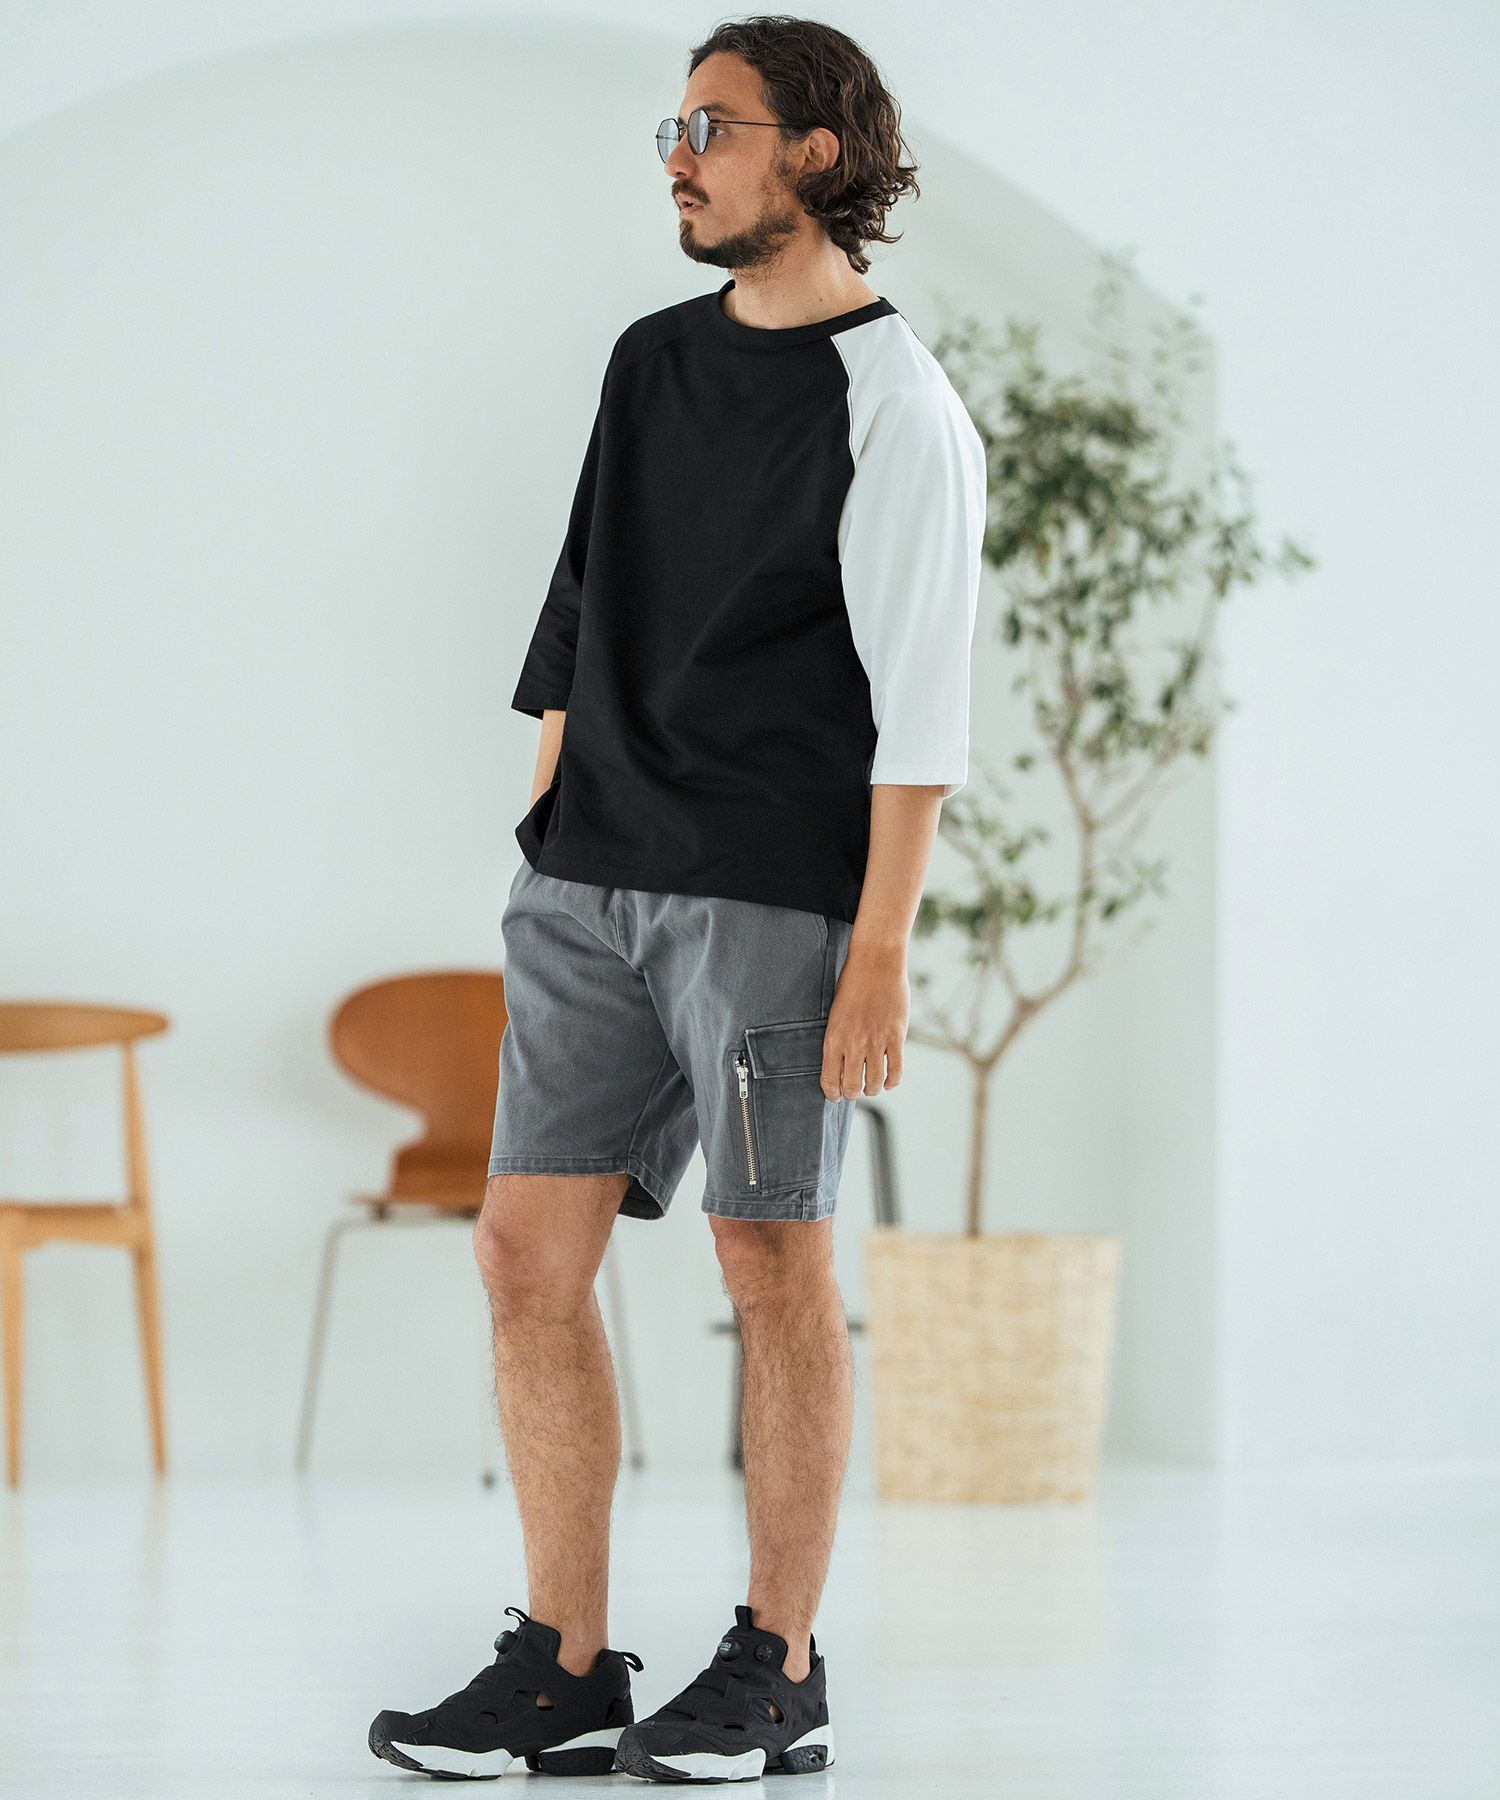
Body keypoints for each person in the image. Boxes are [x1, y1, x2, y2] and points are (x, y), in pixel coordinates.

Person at [369, 15, 987, 1785]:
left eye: (712, 127)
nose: (679, 157)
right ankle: (565, 1666)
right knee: (521, 1254)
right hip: (588, 880)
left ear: (812, 152)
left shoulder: (898, 407)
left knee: (768, 1257)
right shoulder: (651, 360)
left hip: (771, 899)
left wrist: (879, 953)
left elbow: (923, 711)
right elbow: (583, 593)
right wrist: (551, 808)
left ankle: (779, 1666)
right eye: (675, 127)